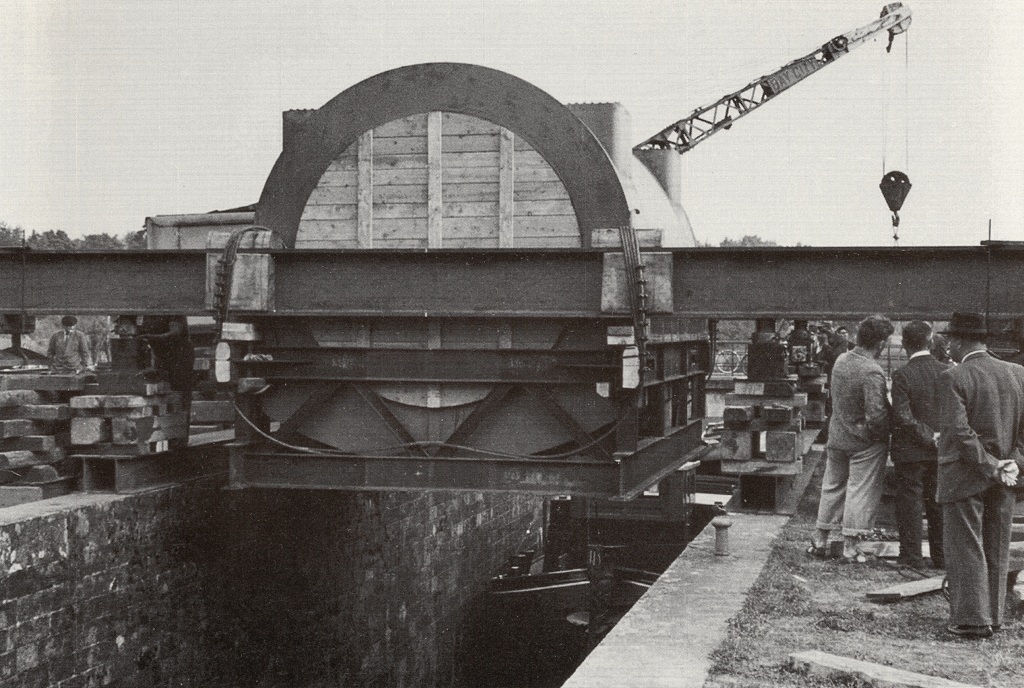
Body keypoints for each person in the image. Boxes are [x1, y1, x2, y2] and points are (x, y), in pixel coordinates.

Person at [936, 312, 1024, 639]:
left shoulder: (953, 377)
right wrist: (1011, 463)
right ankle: (994, 616)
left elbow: (959, 432)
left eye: (950, 341)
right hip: (1006, 476)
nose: (948, 347)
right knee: (997, 545)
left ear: (959, 341)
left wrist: (990, 464)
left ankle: (972, 620)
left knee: (966, 545)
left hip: (964, 475)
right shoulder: (1018, 374)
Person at [808, 315, 895, 563]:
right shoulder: (872, 371)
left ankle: (820, 539)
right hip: (863, 442)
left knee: (832, 487)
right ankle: (851, 546)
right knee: (860, 490)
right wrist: (883, 436)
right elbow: (876, 415)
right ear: (880, 343)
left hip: (837, 436)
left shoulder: (841, 360)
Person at [891, 321, 950, 569]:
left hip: (910, 452)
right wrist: (938, 437)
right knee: (938, 504)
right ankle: (941, 557)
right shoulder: (947, 371)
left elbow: (902, 416)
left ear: (904, 344)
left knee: (910, 505)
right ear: (930, 342)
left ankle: (912, 557)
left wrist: (927, 436)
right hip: (941, 450)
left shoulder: (902, 375)